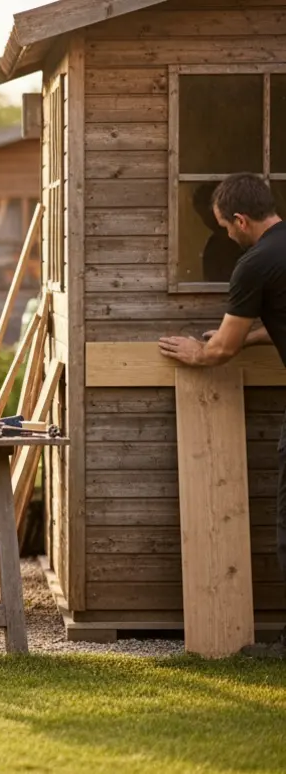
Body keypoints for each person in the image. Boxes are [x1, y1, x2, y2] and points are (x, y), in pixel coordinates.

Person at [158, 172, 285, 658]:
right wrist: (248, 335)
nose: (225, 237)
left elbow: (218, 355)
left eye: (225, 227)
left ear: (240, 220)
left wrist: (196, 349)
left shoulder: (254, 263)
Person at [193, 180, 245, 282]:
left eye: (206, 213)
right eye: (201, 215)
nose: (206, 220)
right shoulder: (214, 244)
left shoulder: (244, 239)